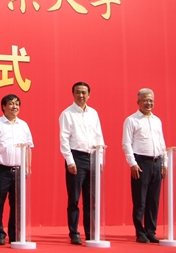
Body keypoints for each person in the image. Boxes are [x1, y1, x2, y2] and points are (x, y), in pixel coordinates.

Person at [0, 94, 34, 246]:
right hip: (1, 169)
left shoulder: (23, 125)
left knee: (17, 204)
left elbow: (29, 147)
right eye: (11, 104)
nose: (14, 107)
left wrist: (27, 166)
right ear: (3, 106)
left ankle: (15, 234)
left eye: (17, 104)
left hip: (19, 170)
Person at [59, 81, 105, 245]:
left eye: (84, 92)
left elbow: (99, 137)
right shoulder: (67, 114)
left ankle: (91, 232)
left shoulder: (93, 113)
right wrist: (70, 161)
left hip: (92, 157)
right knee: (74, 198)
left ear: (89, 95)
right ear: (73, 94)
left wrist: (100, 159)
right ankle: (74, 233)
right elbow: (64, 139)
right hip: (76, 157)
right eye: (78, 92)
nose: (81, 95)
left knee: (91, 199)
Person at [122, 88, 167, 244]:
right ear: (138, 102)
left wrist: (165, 162)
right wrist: (132, 163)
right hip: (141, 163)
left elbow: (161, 142)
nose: (149, 103)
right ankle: (140, 231)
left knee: (153, 200)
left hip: (157, 162)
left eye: (151, 100)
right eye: (146, 100)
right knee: (140, 200)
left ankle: (151, 231)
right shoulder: (132, 120)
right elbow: (126, 143)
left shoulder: (157, 120)